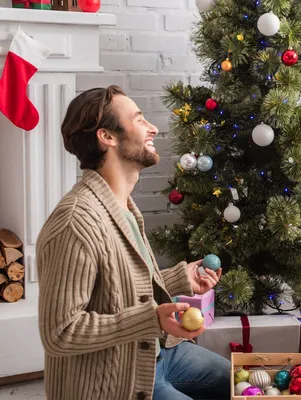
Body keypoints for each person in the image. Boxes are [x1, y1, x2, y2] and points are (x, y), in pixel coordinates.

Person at [36, 85, 230, 400]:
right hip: (117, 379)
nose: (152, 128)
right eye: (139, 120)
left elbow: (117, 290)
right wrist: (152, 319)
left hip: (161, 355)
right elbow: (60, 332)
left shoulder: (122, 206)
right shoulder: (76, 222)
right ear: (107, 137)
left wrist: (181, 279)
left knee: (248, 386)